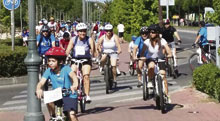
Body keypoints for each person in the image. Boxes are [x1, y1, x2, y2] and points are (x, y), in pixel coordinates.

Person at [36, 47, 79, 121]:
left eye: (53, 61)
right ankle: (53, 116)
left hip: (69, 94)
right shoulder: (49, 71)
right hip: (57, 94)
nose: (50, 63)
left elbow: (74, 77)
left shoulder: (66, 68)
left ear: (60, 62)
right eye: (49, 61)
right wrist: (38, 89)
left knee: (72, 115)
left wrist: (75, 85)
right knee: (48, 98)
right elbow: (41, 82)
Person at [66, 23, 95, 103]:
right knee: (72, 73)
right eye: (80, 31)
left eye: (84, 31)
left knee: (86, 76)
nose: (82, 33)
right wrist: (66, 56)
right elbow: (68, 50)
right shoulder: (73, 39)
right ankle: (73, 91)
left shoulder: (89, 40)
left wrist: (94, 55)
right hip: (75, 60)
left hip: (86, 60)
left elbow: (93, 50)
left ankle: (87, 95)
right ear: (77, 32)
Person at [144, 24, 172, 102]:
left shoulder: (162, 41)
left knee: (163, 76)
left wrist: (169, 54)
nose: (151, 34)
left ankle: (166, 95)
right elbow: (143, 52)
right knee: (151, 66)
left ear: (157, 33)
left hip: (160, 59)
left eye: (152, 32)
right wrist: (142, 56)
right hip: (151, 59)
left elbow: (168, 50)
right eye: (149, 32)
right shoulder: (147, 41)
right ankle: (150, 80)